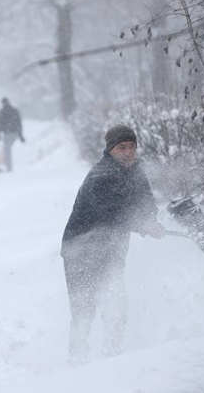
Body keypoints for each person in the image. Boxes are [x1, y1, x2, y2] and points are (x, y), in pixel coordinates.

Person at [60, 124, 165, 365]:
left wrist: (150, 219)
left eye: (132, 147)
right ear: (110, 150)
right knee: (84, 311)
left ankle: (113, 360)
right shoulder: (100, 176)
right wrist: (142, 225)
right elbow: (112, 213)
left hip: (112, 250)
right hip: (80, 251)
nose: (128, 152)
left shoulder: (135, 170)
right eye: (122, 147)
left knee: (116, 306)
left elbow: (146, 200)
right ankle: (78, 361)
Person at [0, 97, 25, 172]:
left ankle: (9, 166)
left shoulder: (2, 112)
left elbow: (0, 124)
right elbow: (19, 123)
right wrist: (20, 135)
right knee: (7, 149)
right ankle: (9, 166)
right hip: (14, 132)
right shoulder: (14, 110)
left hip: (7, 133)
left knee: (7, 149)